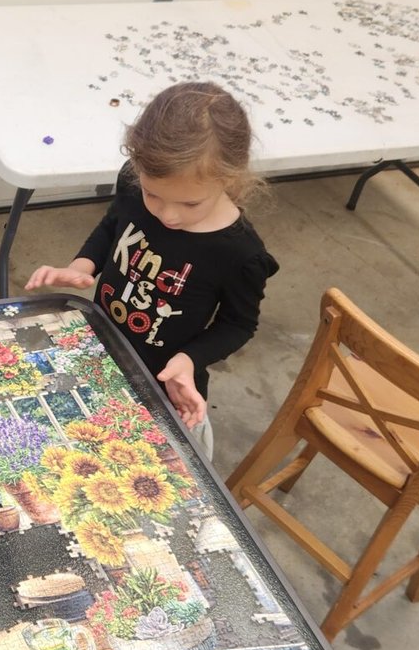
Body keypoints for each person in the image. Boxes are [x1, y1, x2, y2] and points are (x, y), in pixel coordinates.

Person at [26, 82, 280, 460]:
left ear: (230, 179)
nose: (167, 214)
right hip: (102, 348)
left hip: (164, 381)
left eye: (190, 203)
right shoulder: (134, 180)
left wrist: (189, 360)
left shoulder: (241, 253)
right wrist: (83, 265)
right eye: (152, 194)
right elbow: (114, 225)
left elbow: (238, 325)